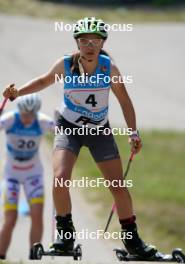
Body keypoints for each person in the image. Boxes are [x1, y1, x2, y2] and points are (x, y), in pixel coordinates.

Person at [3, 17, 158, 259]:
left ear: (102, 43)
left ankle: (133, 240)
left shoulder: (109, 68)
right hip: (69, 128)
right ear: (77, 42)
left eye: (95, 41)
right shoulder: (65, 64)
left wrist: (133, 133)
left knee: (117, 186)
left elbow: (125, 102)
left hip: (99, 130)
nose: (89, 45)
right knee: (60, 178)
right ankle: (65, 236)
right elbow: (44, 80)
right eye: (84, 40)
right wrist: (17, 93)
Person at [0, 94, 54, 259]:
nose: (27, 119)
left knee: (37, 214)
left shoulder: (43, 121)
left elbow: (67, 133)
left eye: (31, 115)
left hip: (33, 173)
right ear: (19, 111)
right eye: (24, 115)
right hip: (12, 174)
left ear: (36, 113)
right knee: (10, 219)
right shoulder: (9, 119)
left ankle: (34, 257)